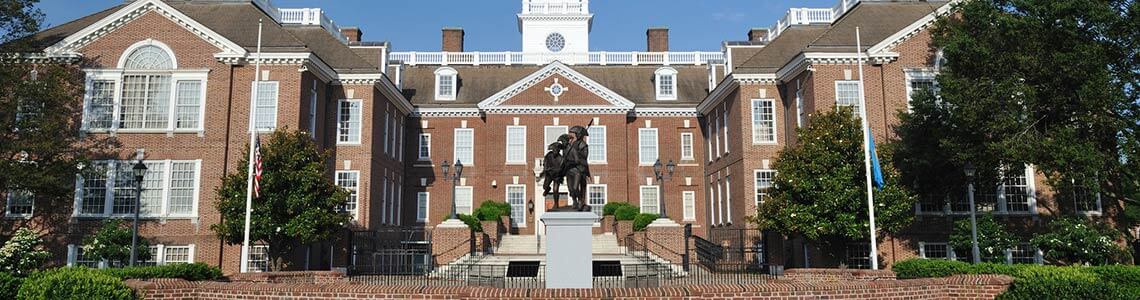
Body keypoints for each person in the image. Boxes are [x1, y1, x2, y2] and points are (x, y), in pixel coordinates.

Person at [563, 126, 591, 211]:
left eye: (577, 134)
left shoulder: (583, 145)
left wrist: (577, 154)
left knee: (576, 187)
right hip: (571, 167)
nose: (576, 135)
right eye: (576, 134)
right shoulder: (574, 143)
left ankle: (580, 201)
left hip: (580, 168)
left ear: (581, 135)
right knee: (571, 188)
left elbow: (585, 156)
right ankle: (574, 201)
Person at [542, 134, 569, 209]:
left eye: (556, 150)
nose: (554, 151)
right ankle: (547, 189)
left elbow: (560, 170)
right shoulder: (548, 155)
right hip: (549, 175)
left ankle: (556, 204)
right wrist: (545, 170)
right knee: (545, 186)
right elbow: (545, 163)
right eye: (553, 150)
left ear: (558, 151)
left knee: (555, 189)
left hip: (557, 176)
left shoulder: (561, 159)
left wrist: (553, 170)